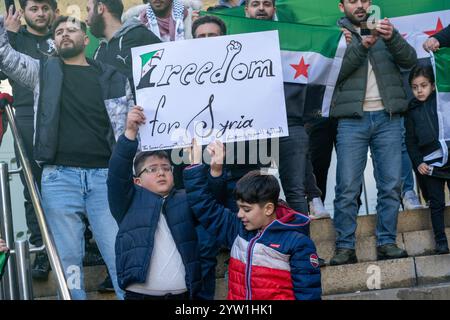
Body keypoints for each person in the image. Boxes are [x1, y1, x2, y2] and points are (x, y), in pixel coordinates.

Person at [0, 15, 134, 299]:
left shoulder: (113, 78)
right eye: (58, 31)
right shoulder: (42, 72)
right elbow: (6, 58)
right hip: (59, 178)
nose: (64, 33)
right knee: (68, 261)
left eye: (71, 29)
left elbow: (127, 131)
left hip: (104, 178)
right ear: (54, 41)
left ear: (86, 40)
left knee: (118, 252)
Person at [329, 0, 417, 265]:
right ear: (341, 6)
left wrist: (393, 38)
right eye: (352, 1)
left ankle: (387, 242)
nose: (359, 5)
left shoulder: (386, 29)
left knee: (391, 185)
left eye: (364, 0)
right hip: (351, 120)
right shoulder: (334, 36)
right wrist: (360, 45)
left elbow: (410, 61)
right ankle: (345, 247)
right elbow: (332, 76)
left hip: (389, 118)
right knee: (346, 187)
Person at [182, 140, 322, 300]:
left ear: (268, 208)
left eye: (246, 209)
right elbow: (204, 206)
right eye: (239, 207)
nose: (240, 214)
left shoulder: (298, 244)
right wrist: (195, 166)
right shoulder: (237, 230)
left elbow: (308, 294)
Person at [107, 106, 205, 300]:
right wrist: (130, 134)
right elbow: (117, 175)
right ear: (137, 181)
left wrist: (198, 165)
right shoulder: (127, 204)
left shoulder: (185, 200)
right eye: (152, 169)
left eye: (166, 168)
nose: (161, 172)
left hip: (183, 298)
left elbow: (207, 203)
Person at [0, 0, 58, 281]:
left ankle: (83, 243)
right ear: (23, 12)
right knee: (33, 186)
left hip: (65, 117)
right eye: (34, 8)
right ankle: (43, 252)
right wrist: (9, 34)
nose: (40, 14)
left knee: (69, 180)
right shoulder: (15, 38)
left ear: (54, 11)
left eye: (45, 8)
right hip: (27, 115)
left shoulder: (64, 34)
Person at [405, 65, 450, 254]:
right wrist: (418, 162)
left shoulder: (442, 102)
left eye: (423, 85)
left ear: (432, 85)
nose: (419, 90)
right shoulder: (411, 110)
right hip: (429, 164)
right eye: (415, 87)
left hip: (448, 157)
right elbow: (410, 141)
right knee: (436, 203)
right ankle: (441, 241)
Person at [86, 0, 161, 83]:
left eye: (88, 10)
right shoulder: (98, 52)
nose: (86, 19)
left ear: (100, 8)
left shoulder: (139, 36)